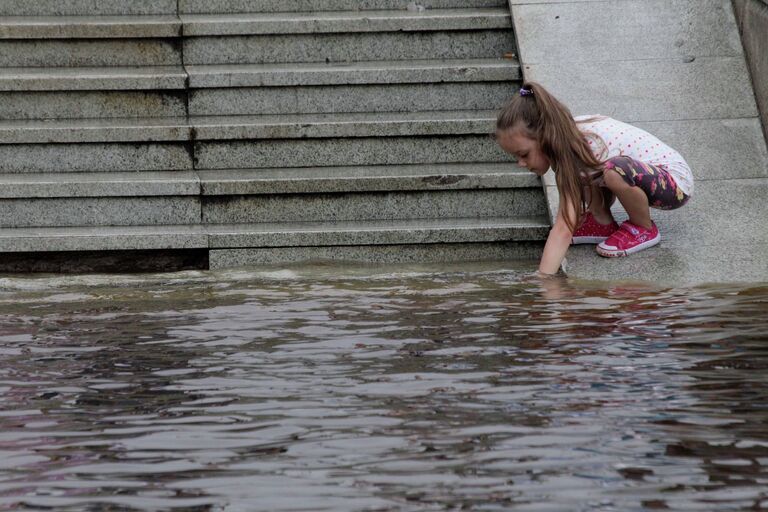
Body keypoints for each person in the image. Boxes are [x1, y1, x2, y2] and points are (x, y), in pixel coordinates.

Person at [495, 81, 693, 276]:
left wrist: (543, 279)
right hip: (650, 177)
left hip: (674, 184)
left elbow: (564, 227)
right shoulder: (567, 138)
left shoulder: (573, 147)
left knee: (614, 171)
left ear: (545, 136)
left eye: (523, 154)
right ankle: (601, 221)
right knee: (593, 170)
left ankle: (643, 227)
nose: (520, 163)